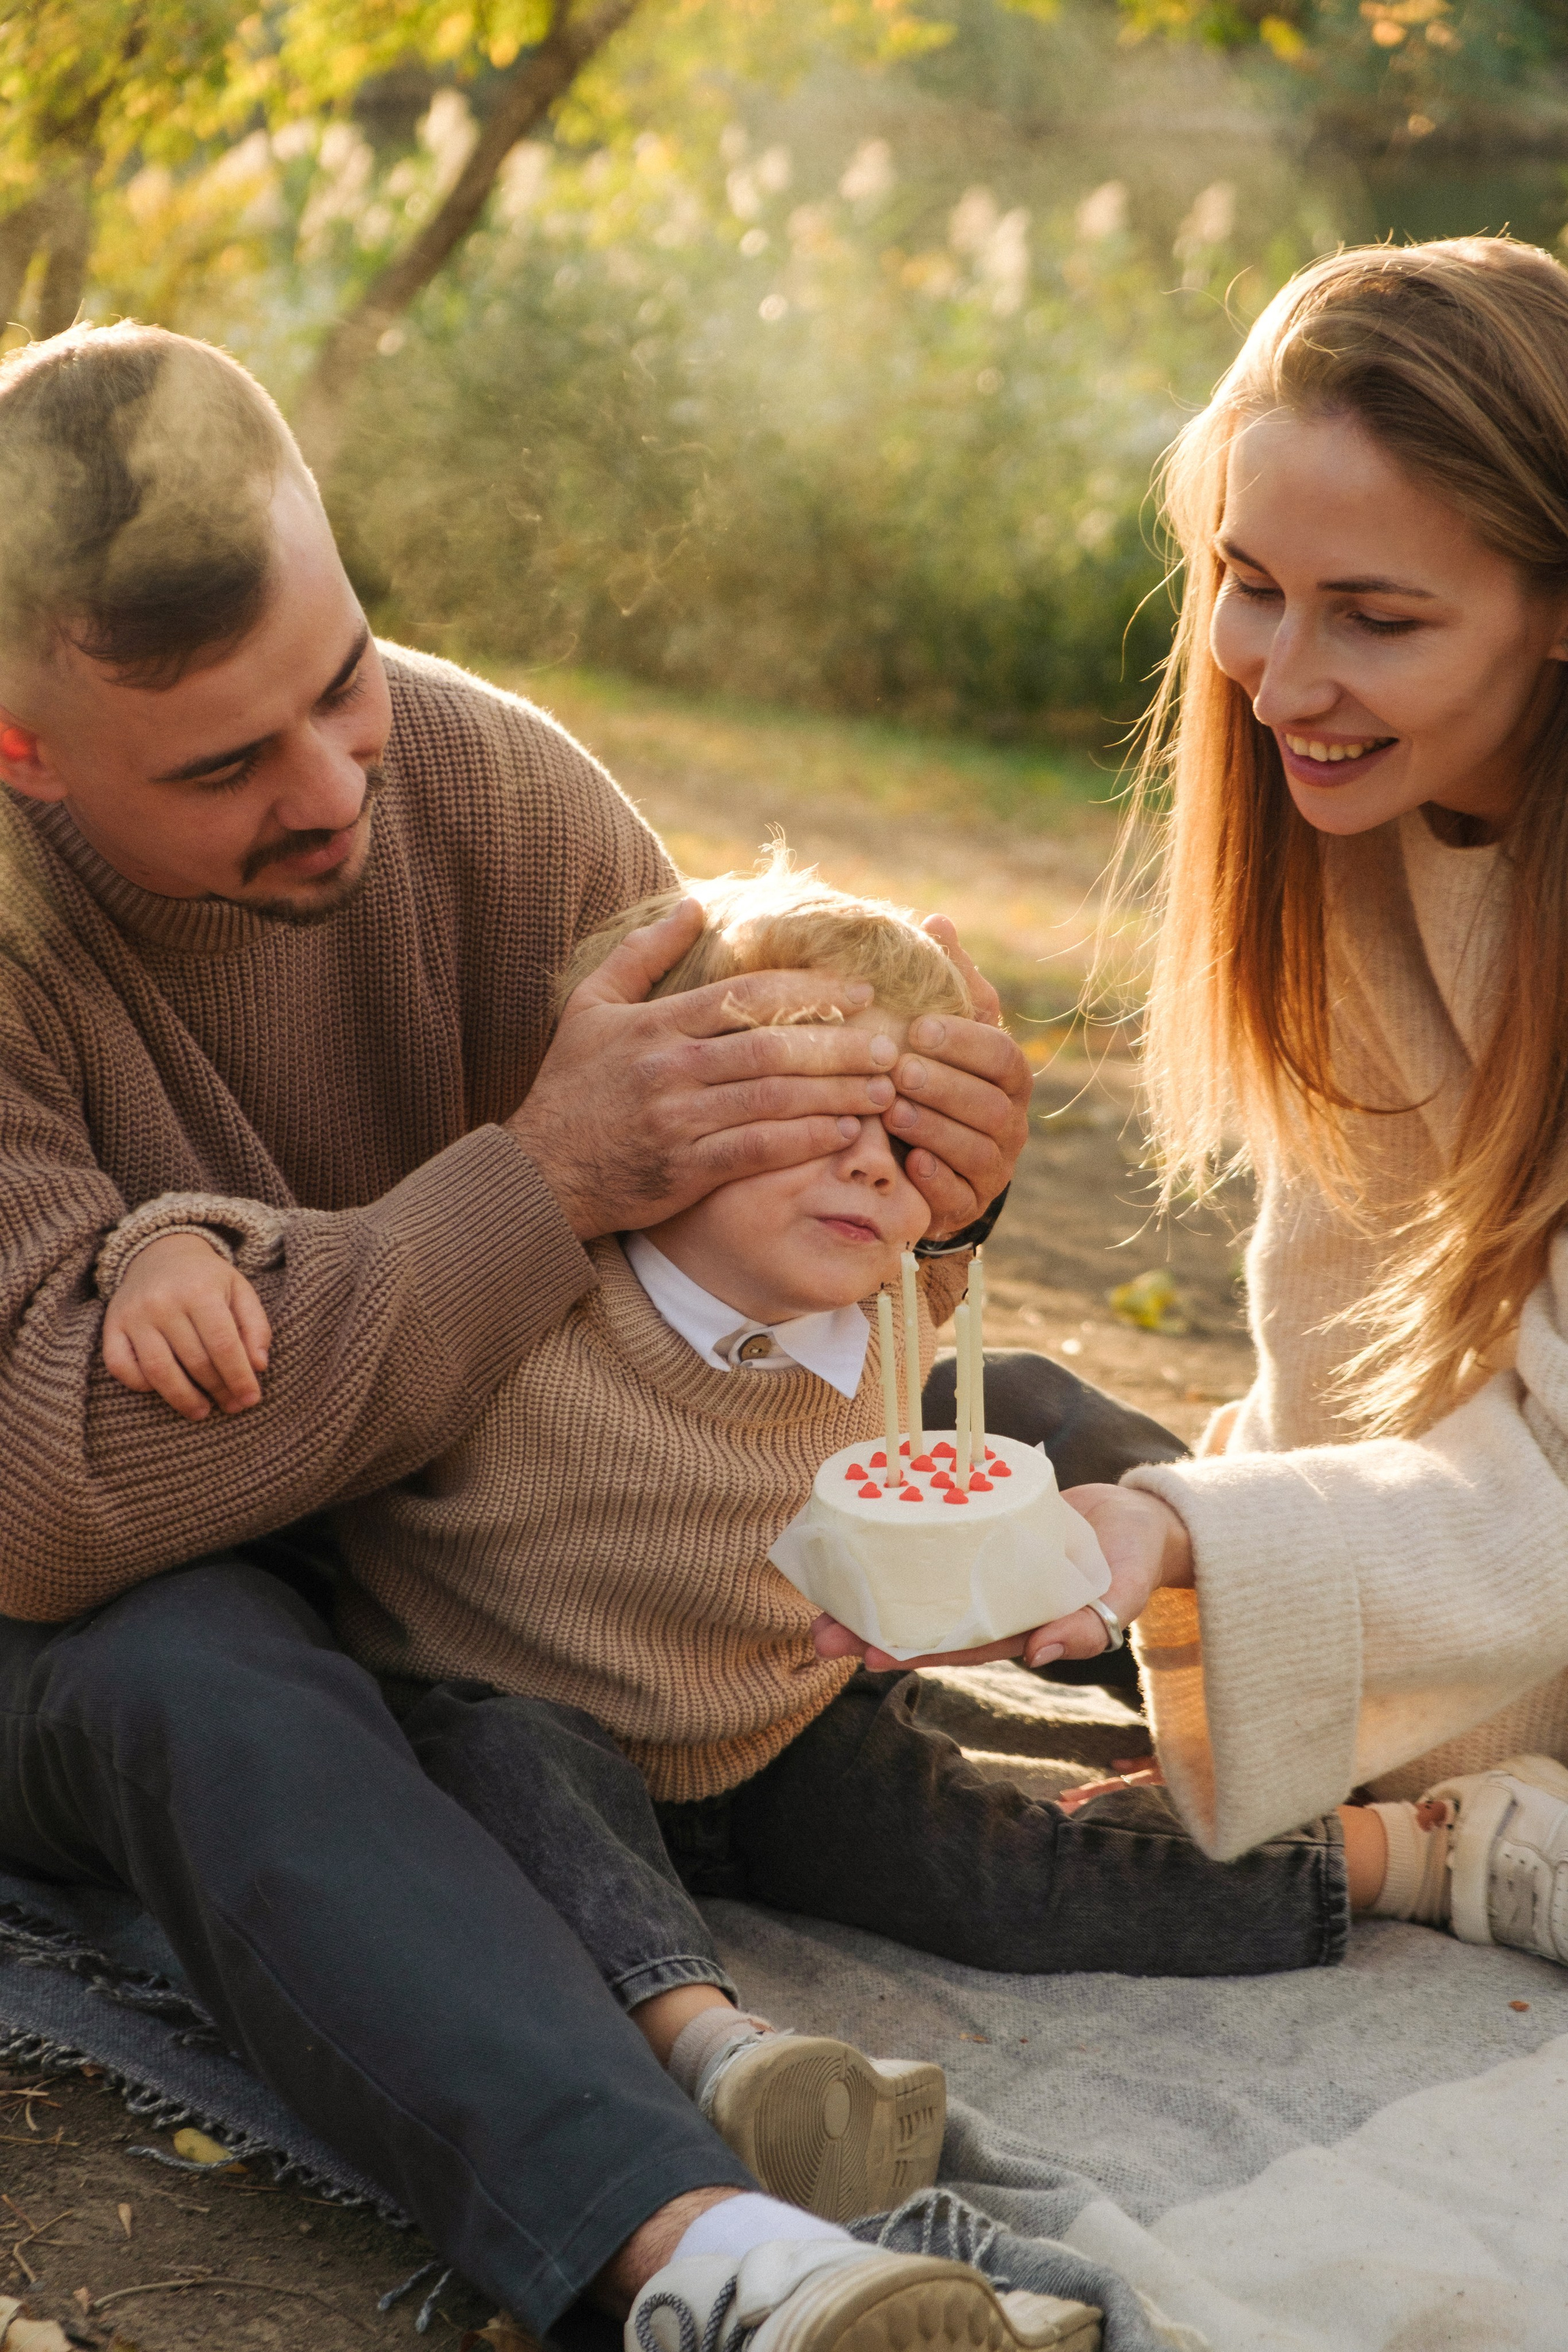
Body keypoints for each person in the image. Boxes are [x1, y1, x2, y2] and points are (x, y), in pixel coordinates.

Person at [0, 320, 1099, 2352]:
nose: (333, 786)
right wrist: (538, 1179)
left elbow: (736, 1266)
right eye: (229, 765)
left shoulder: (498, 782)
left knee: (1018, 1419)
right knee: (204, 1662)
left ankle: (1415, 1782)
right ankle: (705, 2261)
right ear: (26, 747)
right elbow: (56, 1498)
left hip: (500, 1548)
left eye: (341, 686)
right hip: (127, 1632)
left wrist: (932, 1187)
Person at [993, 234, 1568, 1970]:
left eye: (1378, 619)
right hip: (1473, 1541)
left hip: (1536, 1531)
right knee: (989, 1420)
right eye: (1250, 583)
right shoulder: (1377, 824)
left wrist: (1188, 1541)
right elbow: (1337, 1338)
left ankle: (1444, 1849)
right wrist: (1185, 1560)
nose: (1281, 679)